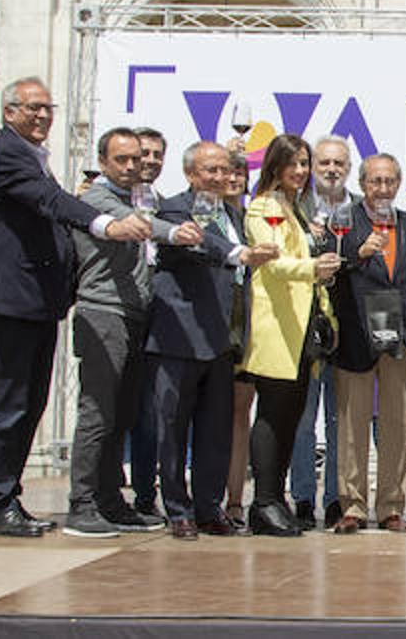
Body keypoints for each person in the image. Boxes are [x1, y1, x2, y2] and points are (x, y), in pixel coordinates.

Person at [0, 77, 151, 538]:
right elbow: (50, 202)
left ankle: (8, 500)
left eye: (46, 108)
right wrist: (104, 223)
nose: (41, 116)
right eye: (30, 108)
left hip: (38, 300)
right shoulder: (10, 152)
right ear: (8, 112)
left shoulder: (29, 155)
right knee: (8, 403)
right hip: (12, 297)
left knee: (29, 402)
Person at [63, 128, 201, 538]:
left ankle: (109, 500)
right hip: (103, 312)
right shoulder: (96, 199)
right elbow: (141, 225)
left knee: (122, 414)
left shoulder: (138, 197)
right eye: (121, 159)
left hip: (135, 313)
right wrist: (175, 233)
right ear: (103, 161)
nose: (131, 167)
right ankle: (81, 503)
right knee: (97, 411)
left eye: (135, 160)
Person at [147, 142, 278, 540]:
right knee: (172, 428)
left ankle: (208, 507)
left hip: (222, 340)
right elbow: (201, 242)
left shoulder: (234, 213)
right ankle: (177, 509)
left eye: (225, 170)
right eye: (211, 170)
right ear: (191, 174)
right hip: (178, 338)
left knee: (215, 430)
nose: (220, 178)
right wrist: (240, 253)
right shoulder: (173, 208)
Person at [237, 135, 342, 536]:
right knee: (272, 415)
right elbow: (273, 262)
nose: (300, 171)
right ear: (275, 167)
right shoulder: (264, 206)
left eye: (304, 163)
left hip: (300, 327)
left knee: (291, 416)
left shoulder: (295, 207)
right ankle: (263, 500)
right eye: (293, 163)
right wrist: (313, 267)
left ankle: (274, 499)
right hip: (275, 325)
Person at [329, 154, 406, 533]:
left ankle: (391, 506)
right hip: (357, 336)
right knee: (352, 426)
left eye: (390, 181)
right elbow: (330, 271)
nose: (383, 188)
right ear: (362, 184)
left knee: (397, 426)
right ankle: (353, 506)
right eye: (376, 181)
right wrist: (357, 256)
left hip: (402, 337)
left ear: (400, 183)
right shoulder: (344, 221)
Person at [291, 134, 353, 529]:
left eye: (339, 164)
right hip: (302, 328)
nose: (331, 170)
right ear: (313, 167)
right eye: (324, 163)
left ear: (349, 169)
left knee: (340, 421)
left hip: (346, 331)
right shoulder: (295, 208)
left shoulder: (361, 210)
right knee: (302, 418)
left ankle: (335, 498)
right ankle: (301, 496)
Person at [126, 127, 171, 520]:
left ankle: (144, 495)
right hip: (120, 308)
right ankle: (99, 495)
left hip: (157, 308)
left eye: (158, 154)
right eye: (145, 153)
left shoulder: (164, 203)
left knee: (150, 410)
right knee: (110, 407)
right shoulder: (108, 198)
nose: (151, 160)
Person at [223, 149, 255, 529]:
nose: (232, 179)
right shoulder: (199, 215)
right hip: (211, 325)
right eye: (224, 172)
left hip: (246, 323)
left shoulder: (254, 220)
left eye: (238, 172)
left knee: (239, 413)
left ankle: (235, 500)